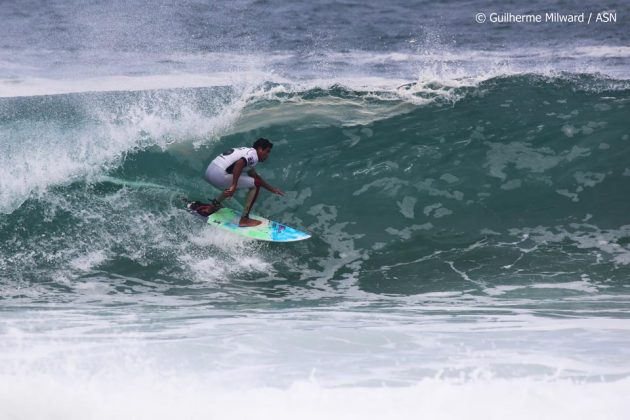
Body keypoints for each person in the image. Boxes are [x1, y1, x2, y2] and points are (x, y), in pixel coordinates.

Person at [198, 138, 284, 227]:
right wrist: (234, 185)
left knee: (237, 179)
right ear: (260, 149)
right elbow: (239, 164)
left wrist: (272, 189)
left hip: (210, 172)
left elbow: (255, 176)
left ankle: (211, 208)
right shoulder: (253, 155)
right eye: (267, 151)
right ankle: (244, 219)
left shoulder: (246, 152)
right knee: (254, 184)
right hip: (219, 175)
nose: (267, 155)